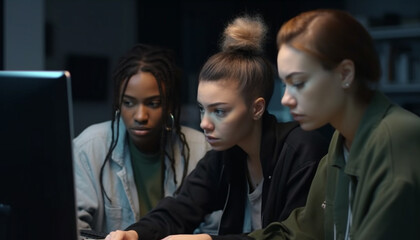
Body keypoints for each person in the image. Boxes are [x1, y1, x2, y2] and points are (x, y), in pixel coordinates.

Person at [105, 15, 330, 240]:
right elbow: (179, 209)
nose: (204, 123)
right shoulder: (226, 154)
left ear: (257, 109)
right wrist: (134, 233)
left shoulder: (301, 150)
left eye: (219, 111)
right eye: (203, 109)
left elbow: (294, 236)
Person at [246, 9, 420, 240]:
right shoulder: (342, 140)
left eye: (298, 82)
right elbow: (305, 230)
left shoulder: (396, 138)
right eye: (285, 84)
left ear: (345, 73)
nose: (285, 99)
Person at [73, 43, 211, 233]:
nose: (140, 116)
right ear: (118, 103)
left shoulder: (201, 150)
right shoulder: (88, 148)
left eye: (153, 103)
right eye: (128, 103)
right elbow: (74, 229)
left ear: (169, 104)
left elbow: (215, 229)